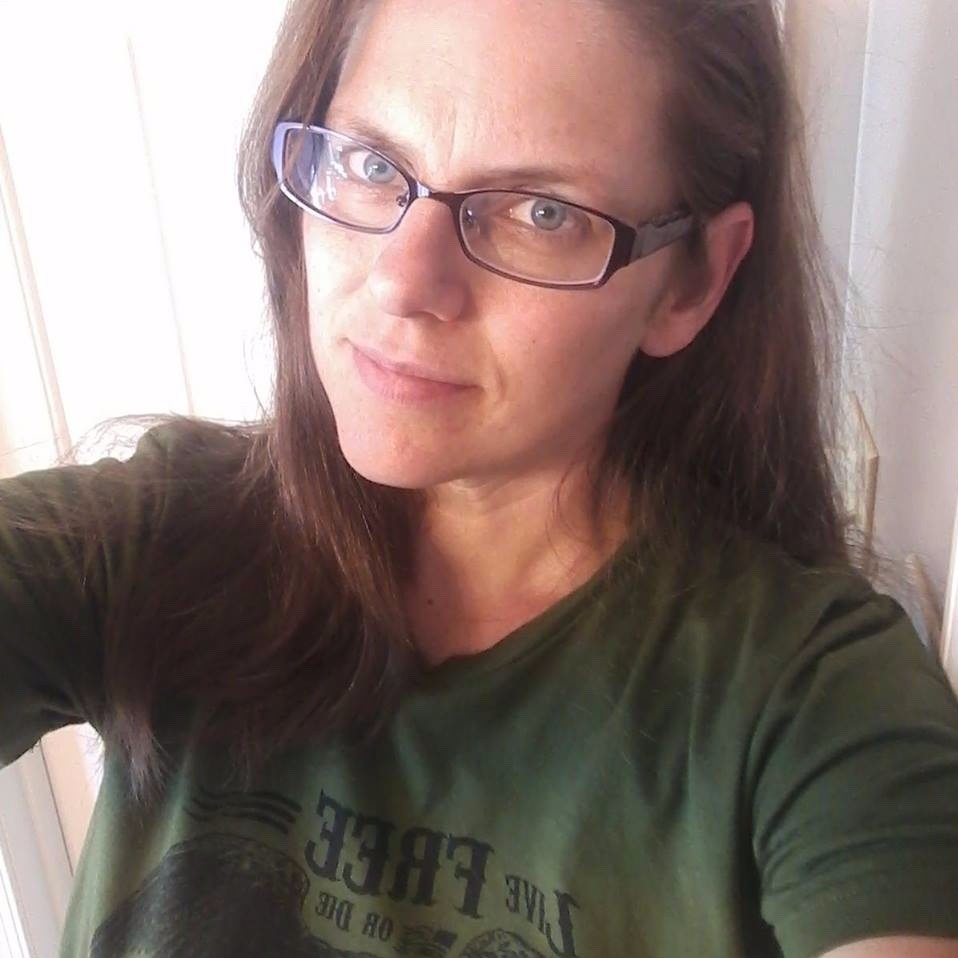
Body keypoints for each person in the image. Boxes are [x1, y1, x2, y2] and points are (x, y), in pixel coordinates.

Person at [1, 0, 957, 955]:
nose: (402, 281)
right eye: (372, 164)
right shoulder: (160, 542)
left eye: (541, 212)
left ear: (693, 279)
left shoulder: (814, 700)